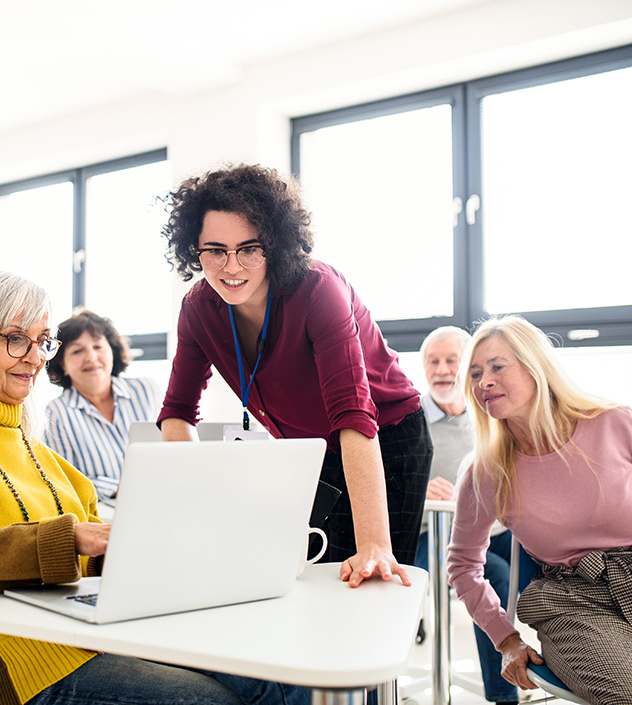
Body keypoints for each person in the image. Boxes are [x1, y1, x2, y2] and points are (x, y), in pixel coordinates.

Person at [0, 270, 310, 705]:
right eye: (17, 339)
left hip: (87, 632)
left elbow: (89, 556)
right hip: (22, 665)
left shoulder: (31, 444)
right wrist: (67, 538)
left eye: (42, 342)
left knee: (279, 673)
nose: (35, 358)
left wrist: (144, 550)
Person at [158, 163, 431, 587]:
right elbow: (177, 411)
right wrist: (197, 500)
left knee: (371, 578)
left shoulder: (317, 289)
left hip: (385, 434)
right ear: (194, 249)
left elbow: (355, 412)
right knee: (308, 575)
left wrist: (375, 543)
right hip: (310, 448)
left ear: (276, 244)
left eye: (250, 248)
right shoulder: (197, 311)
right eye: (214, 250)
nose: (232, 266)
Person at [446, 315, 632, 703]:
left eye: (497, 367)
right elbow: (463, 566)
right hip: (572, 602)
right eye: (476, 374)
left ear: (536, 367)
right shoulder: (486, 472)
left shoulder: (615, 422)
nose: (484, 382)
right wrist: (506, 639)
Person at [415, 326, 516, 705]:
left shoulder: (489, 415)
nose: (442, 370)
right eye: (432, 361)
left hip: (497, 529)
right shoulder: (410, 421)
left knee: (541, 564)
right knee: (496, 575)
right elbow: (382, 479)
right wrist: (416, 488)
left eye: (451, 361)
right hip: (432, 535)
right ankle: (505, 695)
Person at [44, 309, 162, 499]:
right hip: (102, 518)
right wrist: (120, 488)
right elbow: (64, 484)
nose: (91, 357)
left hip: (162, 498)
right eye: (77, 350)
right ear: (62, 364)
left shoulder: (146, 390)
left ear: (113, 352)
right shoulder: (56, 413)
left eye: (98, 347)